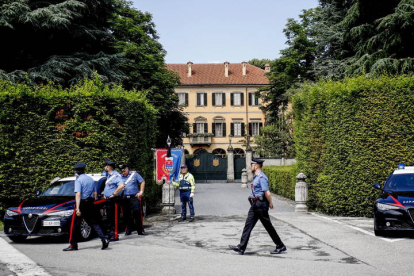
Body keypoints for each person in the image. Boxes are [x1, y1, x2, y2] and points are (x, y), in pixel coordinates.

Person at [229, 158, 286, 255]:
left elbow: (267, 192)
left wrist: (270, 203)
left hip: (261, 205)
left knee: (268, 226)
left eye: (251, 165)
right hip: (255, 205)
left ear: (255, 166)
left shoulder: (262, 177)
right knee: (248, 225)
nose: (250, 167)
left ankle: (280, 245)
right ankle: (241, 247)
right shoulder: (256, 177)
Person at [63, 162, 110, 251]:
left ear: (77, 171)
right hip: (91, 203)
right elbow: (95, 193)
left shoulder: (78, 180)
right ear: (84, 170)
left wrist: (77, 208)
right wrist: (93, 202)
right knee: (94, 223)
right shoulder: (90, 179)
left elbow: (78, 194)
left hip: (83, 203)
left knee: (74, 224)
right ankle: (104, 239)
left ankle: (73, 245)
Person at [119, 164, 147, 236]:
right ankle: (128, 229)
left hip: (134, 197)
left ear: (127, 168)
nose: (123, 172)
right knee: (126, 214)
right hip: (124, 198)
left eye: (124, 171)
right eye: (122, 171)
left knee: (137, 213)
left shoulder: (134, 174)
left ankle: (140, 230)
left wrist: (141, 192)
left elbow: (142, 181)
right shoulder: (119, 176)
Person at [103, 159, 125, 241]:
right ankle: (109, 234)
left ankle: (115, 235)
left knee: (114, 218)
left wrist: (114, 194)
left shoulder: (116, 175)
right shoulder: (108, 175)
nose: (105, 167)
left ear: (108, 167)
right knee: (109, 218)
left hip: (114, 199)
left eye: (106, 166)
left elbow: (121, 186)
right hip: (108, 199)